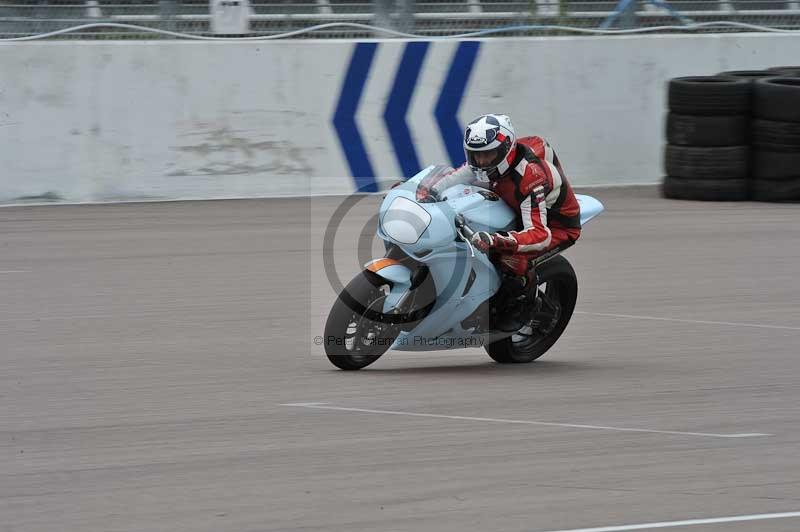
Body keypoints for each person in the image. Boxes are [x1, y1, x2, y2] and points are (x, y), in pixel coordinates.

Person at [418, 114, 581, 330]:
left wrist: (497, 241)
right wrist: (423, 192)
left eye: (488, 155)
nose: (482, 162)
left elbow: (540, 235)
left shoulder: (529, 178)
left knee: (511, 261)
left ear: (506, 150)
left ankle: (519, 307)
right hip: (514, 204)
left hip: (554, 225)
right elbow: (453, 177)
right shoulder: (487, 162)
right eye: (476, 156)